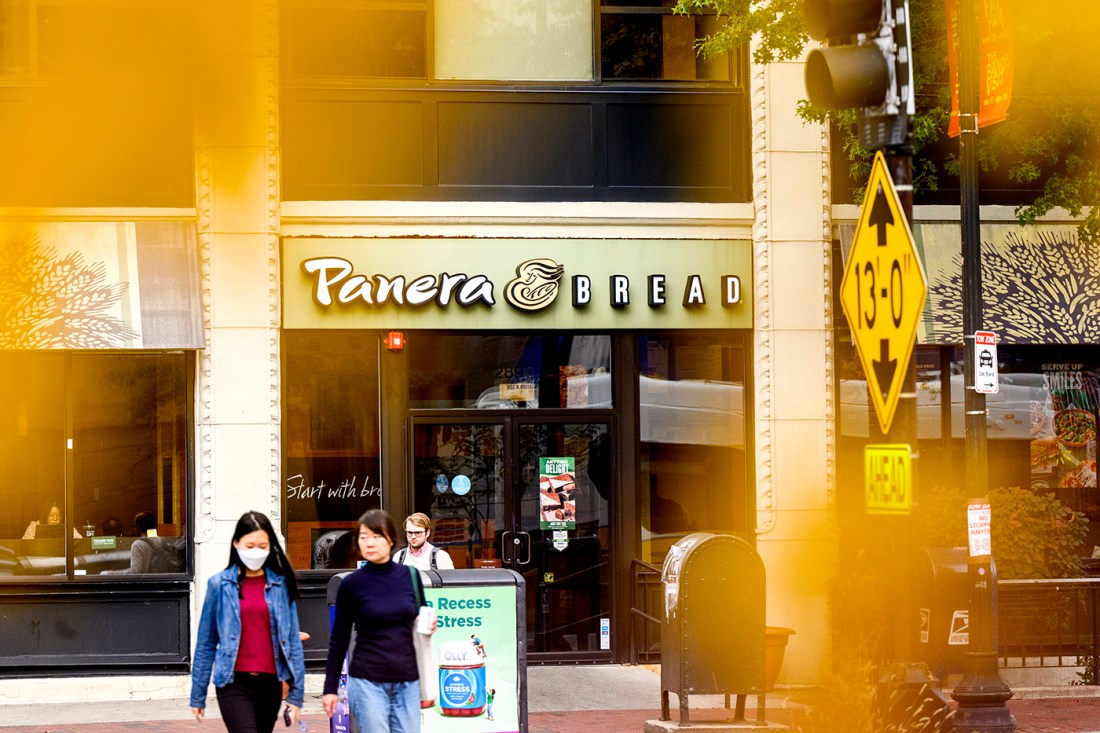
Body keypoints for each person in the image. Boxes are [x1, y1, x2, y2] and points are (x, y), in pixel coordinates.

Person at [190, 511, 306, 732]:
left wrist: (297, 694)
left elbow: (292, 642)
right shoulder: (219, 585)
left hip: (271, 683)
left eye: (262, 546)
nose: (256, 552)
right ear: (236, 544)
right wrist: (198, 694)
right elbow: (206, 643)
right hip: (233, 683)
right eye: (250, 545)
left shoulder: (281, 585)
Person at [323, 509, 437, 733]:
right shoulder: (351, 585)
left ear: (391, 539)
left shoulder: (410, 577)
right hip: (367, 681)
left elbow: (421, 617)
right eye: (364, 537)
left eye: (377, 536)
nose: (370, 542)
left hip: (407, 680)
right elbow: (339, 640)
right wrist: (330, 688)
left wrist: (429, 624)